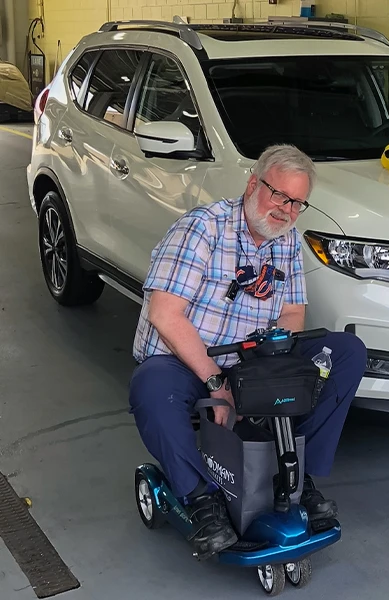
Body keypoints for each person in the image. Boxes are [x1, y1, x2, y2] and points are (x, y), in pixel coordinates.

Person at [128, 144, 367, 560]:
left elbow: (292, 312)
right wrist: (215, 381)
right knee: (151, 388)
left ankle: (296, 480)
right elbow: (165, 316)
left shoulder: (287, 241)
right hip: (187, 358)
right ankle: (200, 499)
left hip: (250, 360)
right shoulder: (202, 228)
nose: (287, 210)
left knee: (345, 352)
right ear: (253, 184)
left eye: (297, 203)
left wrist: (277, 371)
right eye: (279, 195)